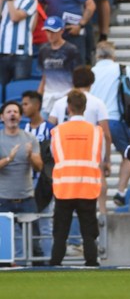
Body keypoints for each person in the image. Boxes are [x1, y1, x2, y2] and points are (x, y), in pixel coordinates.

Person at [49, 89, 102, 267]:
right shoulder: (96, 132)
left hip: (64, 188)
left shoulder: (57, 131)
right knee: (89, 232)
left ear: (68, 107)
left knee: (60, 232)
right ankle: (92, 263)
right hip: (88, 187)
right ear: (84, 108)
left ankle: (55, 263)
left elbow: (53, 154)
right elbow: (98, 157)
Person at [48, 65, 112, 213]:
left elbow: (50, 126)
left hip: (65, 150)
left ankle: (59, 210)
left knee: (64, 183)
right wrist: (107, 159)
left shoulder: (59, 103)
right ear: (92, 82)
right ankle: (102, 213)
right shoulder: (97, 103)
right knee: (99, 177)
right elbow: (106, 133)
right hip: (89, 147)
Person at [90, 41, 130, 206]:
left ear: (97, 55)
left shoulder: (90, 72)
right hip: (116, 120)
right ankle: (120, 192)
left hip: (96, 123)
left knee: (98, 165)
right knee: (128, 155)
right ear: (113, 55)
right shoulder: (122, 69)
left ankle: (100, 207)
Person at [0, 100, 43, 262]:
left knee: (34, 241)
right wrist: (8, 159)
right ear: (2, 117)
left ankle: (41, 273)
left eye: (16, 112)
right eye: (9, 112)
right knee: (4, 243)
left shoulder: (30, 138)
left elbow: (39, 167)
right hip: (3, 199)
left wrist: (31, 156)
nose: (13, 114)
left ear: (20, 116)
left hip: (26, 198)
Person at [21, 91, 55, 259]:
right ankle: (29, 258)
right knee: (25, 222)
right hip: (23, 182)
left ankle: (49, 260)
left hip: (44, 183)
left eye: (26, 104)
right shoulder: (22, 129)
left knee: (44, 222)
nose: (23, 107)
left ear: (37, 106)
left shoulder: (50, 130)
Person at [39, 0, 96, 65]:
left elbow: (91, 5)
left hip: (72, 32)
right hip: (55, 33)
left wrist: (80, 25)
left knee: (76, 66)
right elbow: (41, 4)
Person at [37, 16, 80, 116]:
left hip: (65, 96)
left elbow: (76, 76)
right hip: (48, 98)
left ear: (61, 31)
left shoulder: (71, 50)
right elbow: (44, 76)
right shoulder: (43, 49)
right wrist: (39, 96)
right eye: (48, 31)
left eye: (53, 31)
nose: (50, 35)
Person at [0, 0, 37, 91]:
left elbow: (15, 17)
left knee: (19, 89)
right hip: (2, 52)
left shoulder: (30, 0)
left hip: (21, 55)